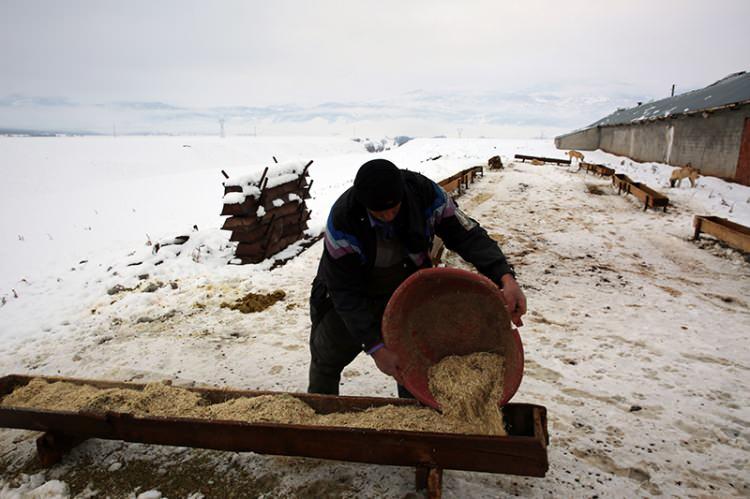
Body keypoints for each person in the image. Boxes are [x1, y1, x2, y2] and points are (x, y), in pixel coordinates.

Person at [307, 158, 526, 397]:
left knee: (413, 362)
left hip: (407, 292)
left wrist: (505, 277)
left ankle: (414, 414)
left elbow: (467, 235)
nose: (389, 216)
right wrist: (375, 346)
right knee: (326, 359)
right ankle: (320, 414)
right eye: (380, 213)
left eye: (394, 209)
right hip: (350, 297)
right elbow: (344, 291)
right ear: (364, 204)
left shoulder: (425, 194)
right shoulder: (343, 221)